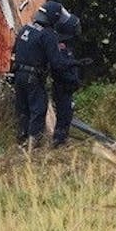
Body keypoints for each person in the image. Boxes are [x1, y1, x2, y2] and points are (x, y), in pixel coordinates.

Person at [9, 1, 76, 148]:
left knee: (23, 109)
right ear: (52, 17)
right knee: (38, 109)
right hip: (33, 78)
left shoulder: (26, 28)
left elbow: (13, 52)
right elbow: (56, 63)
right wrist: (74, 63)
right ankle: (33, 144)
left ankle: (22, 140)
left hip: (19, 75)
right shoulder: (48, 35)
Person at [49, 12, 83, 149]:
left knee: (66, 113)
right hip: (62, 86)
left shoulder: (65, 46)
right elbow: (60, 68)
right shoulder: (61, 48)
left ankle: (62, 139)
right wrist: (73, 80)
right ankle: (59, 140)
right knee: (64, 114)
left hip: (65, 87)